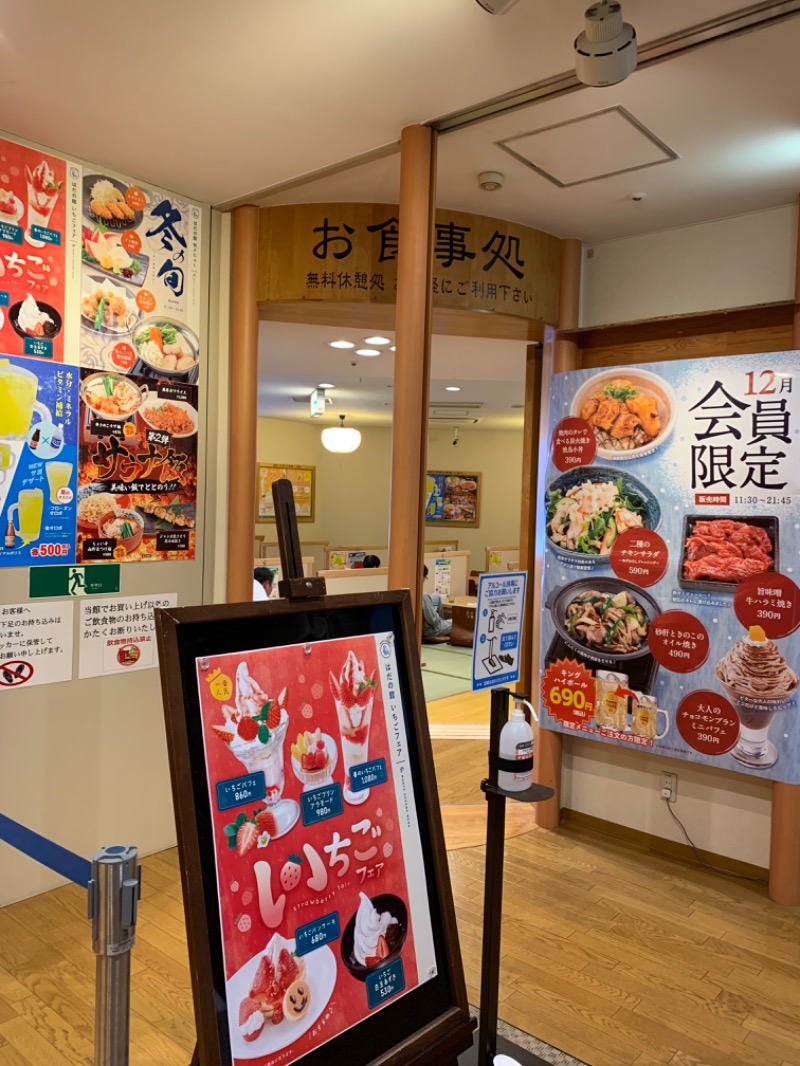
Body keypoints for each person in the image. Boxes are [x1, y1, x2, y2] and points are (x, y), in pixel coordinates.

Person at [421, 565, 451, 639]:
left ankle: (442, 623)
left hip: (429, 621)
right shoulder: (423, 596)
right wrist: (436, 616)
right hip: (430, 629)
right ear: (422, 577)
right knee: (457, 623)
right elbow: (432, 621)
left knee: (436, 596)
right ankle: (440, 628)